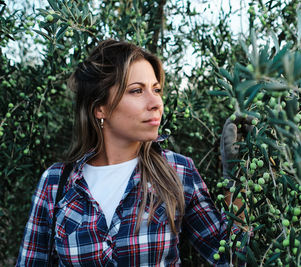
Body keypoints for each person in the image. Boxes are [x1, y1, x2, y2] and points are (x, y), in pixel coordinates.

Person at [16, 39, 247, 266]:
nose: (156, 102)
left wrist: (237, 178)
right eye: (137, 91)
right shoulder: (57, 183)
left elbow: (231, 256)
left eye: (156, 90)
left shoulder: (177, 171)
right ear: (100, 108)